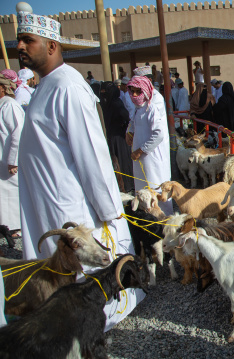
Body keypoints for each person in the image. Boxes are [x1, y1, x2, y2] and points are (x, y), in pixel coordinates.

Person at [16, 7, 142, 330]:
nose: (20, 47)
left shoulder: (69, 86)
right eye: (19, 40)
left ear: (52, 46)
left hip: (70, 207)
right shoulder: (45, 86)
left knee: (90, 288)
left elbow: (93, 158)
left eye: (27, 40)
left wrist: (111, 213)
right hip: (49, 206)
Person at [125, 76, 172, 214]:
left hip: (152, 159)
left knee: (156, 191)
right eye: (132, 91)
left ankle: (164, 222)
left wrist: (141, 150)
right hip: (140, 160)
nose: (134, 95)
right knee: (143, 192)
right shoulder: (137, 108)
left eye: (137, 92)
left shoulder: (151, 107)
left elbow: (159, 133)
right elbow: (133, 123)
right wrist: (130, 133)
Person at [0, 74, 24, 234]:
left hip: (9, 160)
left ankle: (16, 227)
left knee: (12, 194)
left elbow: (18, 132)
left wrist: (13, 159)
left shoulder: (10, 105)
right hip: (2, 159)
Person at [101, 81, 134, 193]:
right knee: (123, 161)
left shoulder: (104, 103)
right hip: (119, 137)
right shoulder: (116, 103)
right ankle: (127, 185)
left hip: (110, 136)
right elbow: (126, 116)